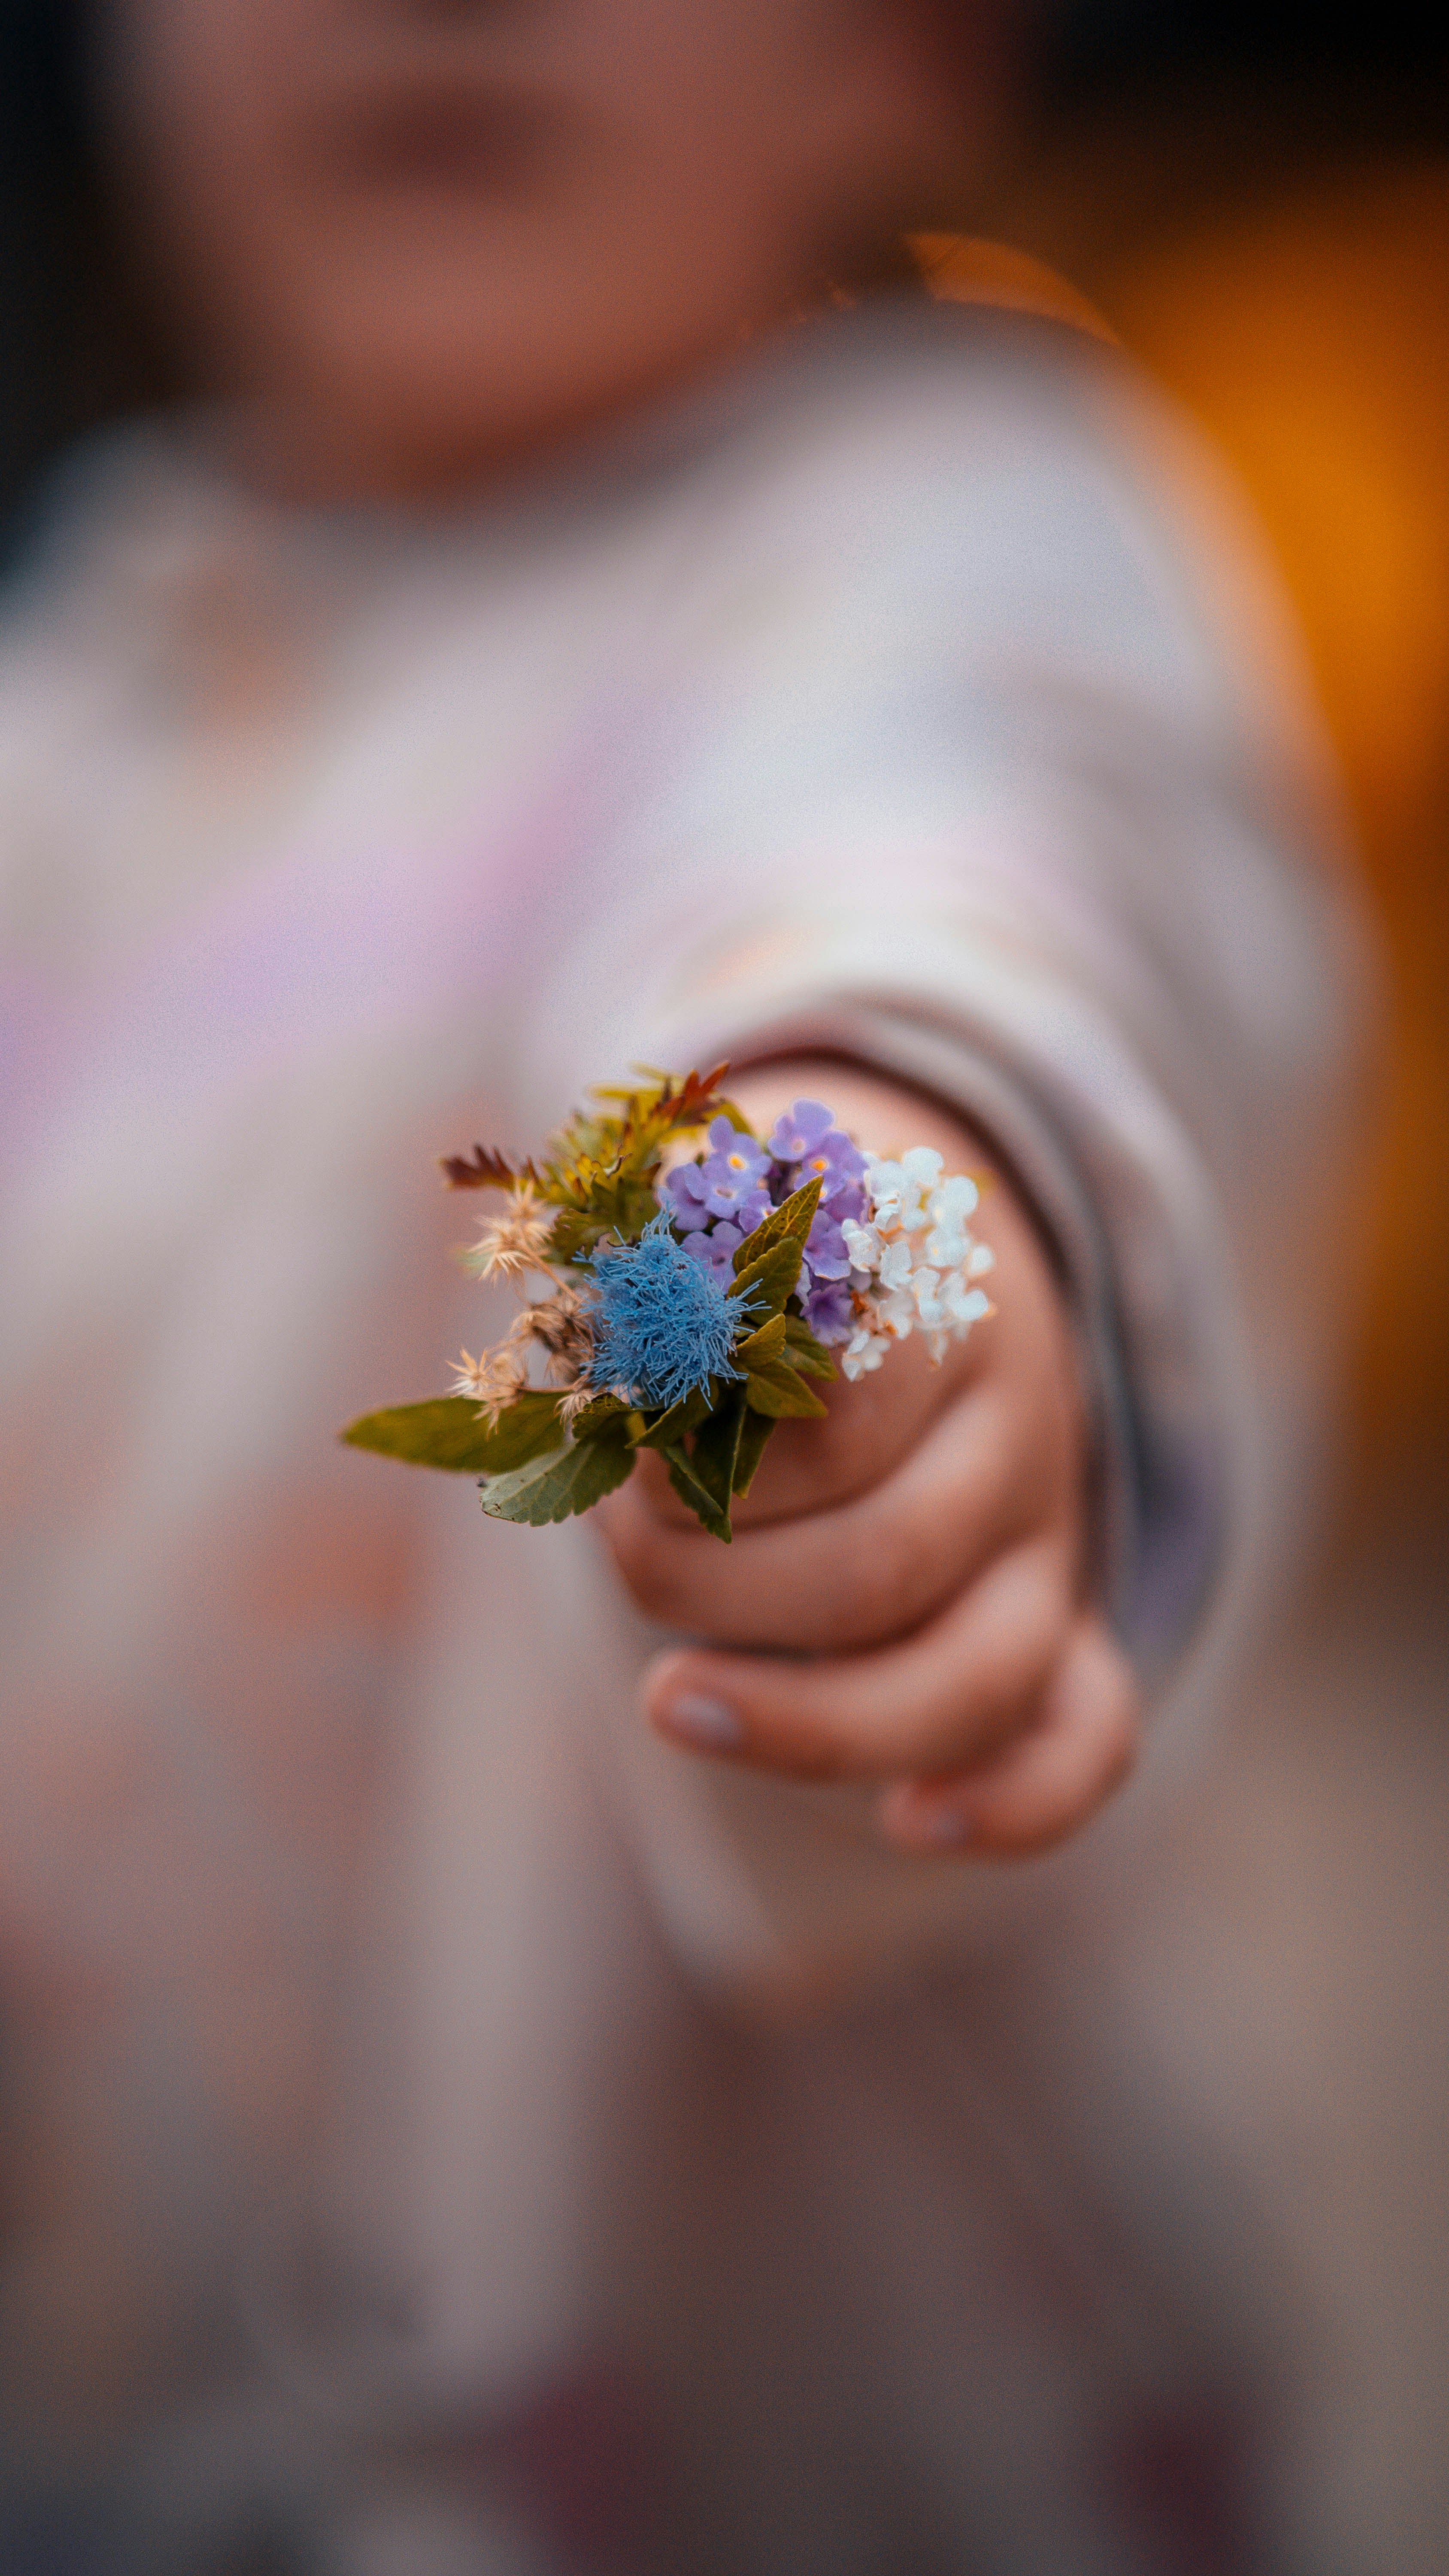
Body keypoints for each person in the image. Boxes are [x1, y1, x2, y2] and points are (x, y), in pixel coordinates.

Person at [0, 3, 1367, 2569]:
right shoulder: (78, 674)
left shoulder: (967, 522)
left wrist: (878, 1163)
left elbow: (933, 837)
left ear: (925, 51)